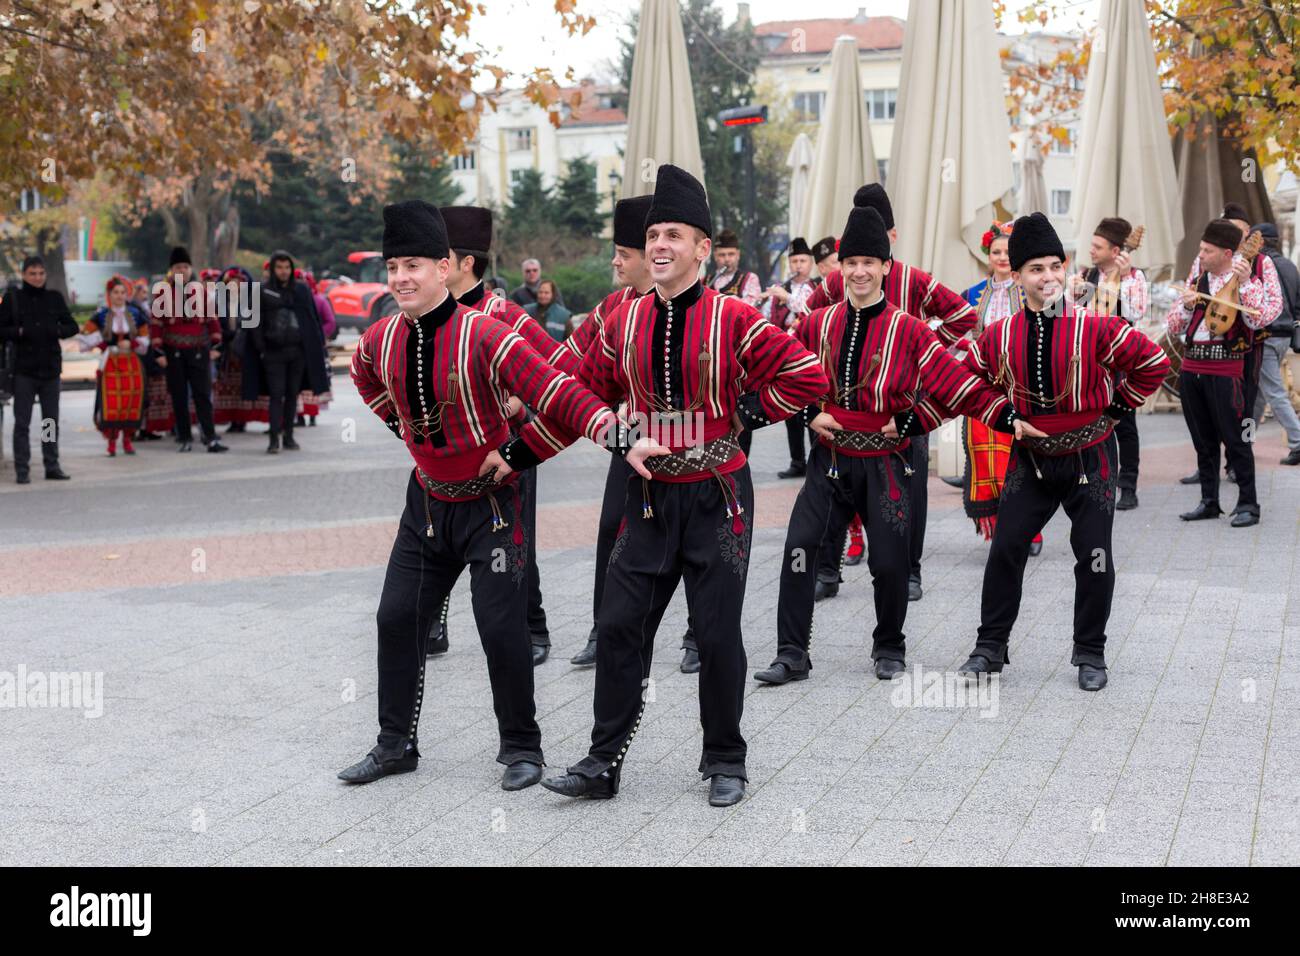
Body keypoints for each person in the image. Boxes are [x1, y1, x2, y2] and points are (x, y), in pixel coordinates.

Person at [534, 165, 829, 807]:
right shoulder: (623, 320)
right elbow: (578, 389)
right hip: (646, 496)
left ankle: (726, 759)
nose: (660, 246)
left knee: (717, 631)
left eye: (674, 234)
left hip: (716, 495)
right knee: (616, 626)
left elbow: (808, 376)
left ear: (702, 247)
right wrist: (614, 432)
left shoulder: (736, 319)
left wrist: (747, 413)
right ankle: (601, 762)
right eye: (653, 236)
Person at [338, 199, 615, 788]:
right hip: (428, 504)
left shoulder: (486, 333)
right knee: (395, 617)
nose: (400, 278)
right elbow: (364, 377)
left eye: (413, 265)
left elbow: (558, 391)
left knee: (500, 625)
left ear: (446, 268)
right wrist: (404, 429)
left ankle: (521, 748)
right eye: (393, 268)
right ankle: (395, 746)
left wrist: (617, 433)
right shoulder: (381, 337)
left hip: (493, 502)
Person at [754, 206, 1032, 686]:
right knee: (800, 548)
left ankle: (888, 646)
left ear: (886, 266)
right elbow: (775, 369)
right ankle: (792, 653)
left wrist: (1001, 417)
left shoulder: (910, 330)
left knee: (888, 562)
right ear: (841, 268)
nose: (859, 271)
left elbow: (957, 387)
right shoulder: (816, 324)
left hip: (886, 462)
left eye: (870, 262)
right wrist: (805, 413)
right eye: (851, 262)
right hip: (831, 458)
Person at [957, 213, 1170, 691]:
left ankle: (1090, 653)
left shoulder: (1096, 328)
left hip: (1090, 457)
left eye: (1056, 266)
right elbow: (963, 380)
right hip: (1030, 460)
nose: (1049, 276)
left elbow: (1153, 363)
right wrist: (1005, 417)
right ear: (1017, 276)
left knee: (1094, 553)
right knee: (1006, 549)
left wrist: (1116, 409)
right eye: (1036, 269)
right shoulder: (997, 335)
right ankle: (989, 647)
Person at [801, 184, 977, 604]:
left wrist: (924, 348)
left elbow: (963, 314)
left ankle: (909, 572)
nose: (860, 266)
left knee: (909, 493)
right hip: (842, 406)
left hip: (903, 407)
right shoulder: (836, 280)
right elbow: (810, 315)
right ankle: (827, 569)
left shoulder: (914, 280)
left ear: (891, 238)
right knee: (830, 489)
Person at [437, 203, 578, 666]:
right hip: (443, 457)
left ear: (466, 264)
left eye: (442, 256)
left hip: (505, 452)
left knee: (515, 542)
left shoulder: (505, 313)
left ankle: (534, 629)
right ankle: (433, 624)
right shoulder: (426, 314)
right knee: (434, 541)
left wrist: (518, 402)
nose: (433, 266)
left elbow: (558, 370)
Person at [566, 194, 656, 669]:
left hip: (696, 444)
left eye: (624, 254)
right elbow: (570, 362)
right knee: (610, 531)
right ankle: (604, 629)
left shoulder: (704, 306)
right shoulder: (613, 306)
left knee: (699, 547)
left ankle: (695, 637)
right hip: (629, 439)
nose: (615, 262)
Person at [1166, 218, 1283, 527]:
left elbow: (1261, 319)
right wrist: (1188, 307)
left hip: (1227, 365)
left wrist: (1246, 284)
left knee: (1236, 438)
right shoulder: (1199, 276)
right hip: (1192, 364)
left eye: (1206, 250)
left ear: (1227, 253)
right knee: (1202, 439)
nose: (1200, 255)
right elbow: (1173, 325)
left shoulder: (1250, 275)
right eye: (1201, 249)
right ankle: (1209, 500)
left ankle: (1248, 503)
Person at [955, 223, 1044, 553]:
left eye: (1008, 252)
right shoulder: (973, 293)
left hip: (1021, 382)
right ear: (987, 256)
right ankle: (999, 526)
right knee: (985, 455)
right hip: (983, 382)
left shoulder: (1030, 290)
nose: (1002, 257)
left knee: (1020, 454)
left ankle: (1031, 529)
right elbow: (955, 332)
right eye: (996, 252)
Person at [1067, 218, 1150, 511]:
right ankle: (1088, 478)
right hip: (1089, 360)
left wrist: (1125, 279)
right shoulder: (1087, 275)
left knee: (1124, 425)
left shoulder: (1135, 278)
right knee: (1086, 419)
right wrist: (1070, 293)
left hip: (1119, 361)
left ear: (1116, 251)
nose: (1090, 250)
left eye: (1097, 246)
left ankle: (1128, 486)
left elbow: (1138, 312)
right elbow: (1062, 315)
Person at [0, 255, 78, 482]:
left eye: (41, 273)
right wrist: (21, 332)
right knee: (22, 422)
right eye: (32, 274)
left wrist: (55, 331)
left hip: (50, 369)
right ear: (24, 275)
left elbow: (72, 326)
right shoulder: (13, 298)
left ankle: (51, 464)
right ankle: (22, 469)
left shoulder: (54, 298)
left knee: (49, 421)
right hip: (24, 370)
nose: (37, 278)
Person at [150, 246, 228, 453]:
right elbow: (156, 324)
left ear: (190, 269)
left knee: (202, 395)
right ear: (171, 270)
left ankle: (210, 437)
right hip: (173, 351)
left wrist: (217, 345)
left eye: (185, 267)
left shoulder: (200, 291)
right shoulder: (162, 292)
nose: (182, 270)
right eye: (177, 267)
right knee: (179, 395)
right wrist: (158, 352)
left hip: (198, 350)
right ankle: (184, 437)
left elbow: (212, 320)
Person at [250, 251, 329, 454]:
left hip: (297, 353)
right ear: (273, 269)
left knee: (293, 395)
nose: (283, 271)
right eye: (280, 267)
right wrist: (261, 349)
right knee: (276, 396)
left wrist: (315, 345)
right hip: (273, 353)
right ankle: (274, 438)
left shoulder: (302, 290)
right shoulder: (262, 290)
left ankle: (289, 437)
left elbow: (312, 320)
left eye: (287, 267)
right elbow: (253, 322)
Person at [764, 237, 820, 479]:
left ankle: (818, 460)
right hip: (786, 358)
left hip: (811, 355)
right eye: (795, 261)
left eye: (803, 261)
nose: (799, 265)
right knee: (792, 412)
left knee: (814, 409)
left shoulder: (818, 286)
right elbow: (766, 316)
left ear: (811, 263)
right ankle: (797, 461)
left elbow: (810, 310)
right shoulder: (781, 287)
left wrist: (786, 297)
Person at [77, 275, 151, 457]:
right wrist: (102, 344)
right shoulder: (101, 315)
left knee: (131, 400)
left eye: (122, 292)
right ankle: (111, 442)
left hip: (131, 363)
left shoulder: (136, 314)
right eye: (115, 292)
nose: (119, 296)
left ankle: (127, 440)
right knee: (111, 402)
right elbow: (85, 336)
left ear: (127, 294)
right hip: (111, 363)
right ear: (109, 294)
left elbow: (145, 337)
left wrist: (133, 344)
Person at [1250, 222, 1300, 465]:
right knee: (1259, 394)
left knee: (1274, 392)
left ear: (1259, 242)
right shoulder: (1290, 266)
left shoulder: (1262, 266)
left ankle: (1298, 441)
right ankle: (1245, 441)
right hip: (1285, 334)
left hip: (1267, 334)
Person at [212, 266, 269, 433]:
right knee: (229, 385)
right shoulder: (219, 303)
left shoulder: (250, 302)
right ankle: (233, 419)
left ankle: (243, 418)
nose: (234, 286)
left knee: (243, 384)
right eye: (231, 283)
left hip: (245, 350)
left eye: (238, 283)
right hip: (226, 351)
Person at [296, 271, 336, 428]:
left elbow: (329, 321)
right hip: (298, 347)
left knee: (313, 380)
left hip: (314, 348)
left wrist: (318, 336)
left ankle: (312, 415)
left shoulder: (319, 301)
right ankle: (299, 415)